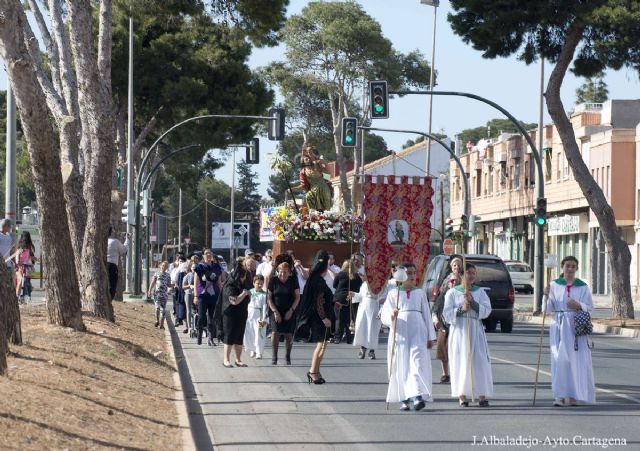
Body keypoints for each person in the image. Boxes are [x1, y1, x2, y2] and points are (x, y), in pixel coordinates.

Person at [380, 263, 436, 411]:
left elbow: (427, 315)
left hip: (418, 331)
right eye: (409, 273)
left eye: (413, 273)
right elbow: (384, 313)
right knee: (401, 363)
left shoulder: (420, 293)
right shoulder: (394, 294)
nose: (412, 276)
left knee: (416, 362)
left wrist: (431, 336)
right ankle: (404, 399)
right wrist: (391, 314)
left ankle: (417, 397)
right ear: (401, 276)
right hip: (400, 332)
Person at [546, 256, 595, 407]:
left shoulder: (583, 287)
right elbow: (548, 309)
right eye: (567, 266)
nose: (570, 269)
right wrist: (545, 295)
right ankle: (559, 396)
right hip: (559, 325)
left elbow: (590, 307)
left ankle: (573, 395)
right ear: (562, 267)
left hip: (575, 327)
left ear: (577, 269)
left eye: (573, 266)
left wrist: (578, 305)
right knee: (559, 360)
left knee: (574, 361)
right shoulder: (554, 284)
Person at [443, 262, 493, 407]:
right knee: (461, 361)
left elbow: (487, 309)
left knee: (479, 361)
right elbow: (446, 313)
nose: (471, 276)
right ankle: (462, 395)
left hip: (475, 329)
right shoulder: (452, 292)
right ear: (461, 274)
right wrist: (460, 309)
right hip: (459, 330)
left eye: (473, 273)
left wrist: (473, 303)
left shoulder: (480, 292)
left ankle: (482, 395)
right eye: (468, 273)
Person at [295, 250, 333, 384]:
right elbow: (318, 302)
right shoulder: (318, 280)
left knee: (323, 344)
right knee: (321, 345)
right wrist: (324, 318)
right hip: (319, 318)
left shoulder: (315, 278)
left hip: (320, 317)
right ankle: (313, 371)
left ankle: (316, 370)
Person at [432, 255, 463, 384]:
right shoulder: (445, 286)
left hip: (459, 323)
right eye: (454, 265)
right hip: (444, 323)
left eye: (459, 265)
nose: (456, 267)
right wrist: (435, 318)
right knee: (442, 348)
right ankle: (445, 373)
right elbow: (437, 304)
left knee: (458, 350)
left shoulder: (464, 287)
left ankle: (459, 373)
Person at [215, 259, 250, 367]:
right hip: (229, 315)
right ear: (239, 276)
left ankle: (238, 360)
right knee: (229, 336)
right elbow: (234, 301)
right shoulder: (230, 284)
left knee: (239, 337)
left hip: (241, 314)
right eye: (244, 276)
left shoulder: (241, 284)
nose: (245, 278)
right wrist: (244, 294)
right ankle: (226, 360)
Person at [267, 261, 300, 365]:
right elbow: (269, 298)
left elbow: (297, 297)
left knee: (288, 334)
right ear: (278, 271)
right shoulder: (273, 280)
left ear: (289, 272)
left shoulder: (293, 281)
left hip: (289, 310)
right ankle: (274, 356)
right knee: (275, 332)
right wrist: (275, 311)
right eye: (280, 272)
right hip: (275, 309)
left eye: (285, 272)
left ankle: (287, 356)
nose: (282, 274)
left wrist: (291, 310)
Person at [353, 269, 387, 360]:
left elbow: (383, 297)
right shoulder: (364, 285)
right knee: (362, 328)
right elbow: (360, 296)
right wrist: (353, 294)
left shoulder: (381, 286)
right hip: (363, 308)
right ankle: (362, 348)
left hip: (374, 308)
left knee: (373, 330)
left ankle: (372, 351)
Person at [194, 250, 224, 346]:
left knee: (212, 317)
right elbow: (196, 282)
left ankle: (210, 338)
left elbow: (219, 282)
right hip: (202, 295)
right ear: (203, 255)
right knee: (202, 316)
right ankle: (199, 334)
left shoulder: (216, 267)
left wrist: (222, 295)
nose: (208, 255)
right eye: (206, 253)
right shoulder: (199, 267)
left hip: (214, 295)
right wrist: (195, 295)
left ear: (212, 256)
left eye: (210, 254)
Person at [332, 259, 362, 344]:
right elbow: (359, 288)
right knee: (351, 319)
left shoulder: (340, 274)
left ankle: (338, 338)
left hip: (340, 299)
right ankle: (350, 338)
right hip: (353, 299)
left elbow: (334, 285)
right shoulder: (357, 276)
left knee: (339, 319)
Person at [293, 144, 332, 211]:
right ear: (303, 161)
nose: (308, 159)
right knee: (308, 196)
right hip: (313, 190)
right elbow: (303, 185)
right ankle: (313, 214)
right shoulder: (303, 172)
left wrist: (319, 161)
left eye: (309, 157)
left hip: (323, 189)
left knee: (325, 207)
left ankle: (325, 214)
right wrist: (293, 189)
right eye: (305, 158)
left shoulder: (318, 165)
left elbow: (328, 176)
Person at [244, 275, 268, 359]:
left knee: (259, 334)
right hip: (250, 315)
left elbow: (265, 306)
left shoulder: (264, 294)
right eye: (258, 283)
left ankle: (259, 352)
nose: (260, 285)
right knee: (250, 333)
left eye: (261, 283)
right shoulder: (250, 292)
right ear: (254, 283)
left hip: (259, 315)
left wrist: (263, 318)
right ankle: (252, 349)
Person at [148, 261, 172, 329]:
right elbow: (153, 282)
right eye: (163, 265)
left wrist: (174, 285)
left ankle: (162, 324)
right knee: (157, 308)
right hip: (157, 293)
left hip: (164, 294)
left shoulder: (168, 275)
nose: (164, 267)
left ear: (167, 267)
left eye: (166, 266)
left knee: (163, 310)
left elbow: (168, 284)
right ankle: (157, 320)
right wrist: (149, 290)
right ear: (160, 266)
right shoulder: (156, 273)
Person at [106, 227, 128, 301]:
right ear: (111, 232)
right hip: (112, 265)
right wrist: (127, 239)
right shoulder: (115, 242)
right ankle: (110, 300)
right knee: (113, 284)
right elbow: (124, 250)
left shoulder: (103, 241)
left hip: (104, 264)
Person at [15, 231, 37, 303]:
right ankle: (22, 296)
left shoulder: (27, 247)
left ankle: (24, 296)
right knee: (23, 281)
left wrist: (33, 258)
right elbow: (18, 257)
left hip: (26, 267)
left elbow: (31, 257)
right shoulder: (22, 247)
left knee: (25, 282)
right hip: (24, 267)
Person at [182, 262, 197, 335]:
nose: (194, 268)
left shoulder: (199, 275)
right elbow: (183, 286)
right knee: (188, 310)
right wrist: (190, 286)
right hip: (188, 294)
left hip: (197, 295)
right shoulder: (188, 275)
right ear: (190, 268)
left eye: (195, 267)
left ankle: (197, 327)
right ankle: (189, 327)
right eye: (193, 267)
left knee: (196, 311)